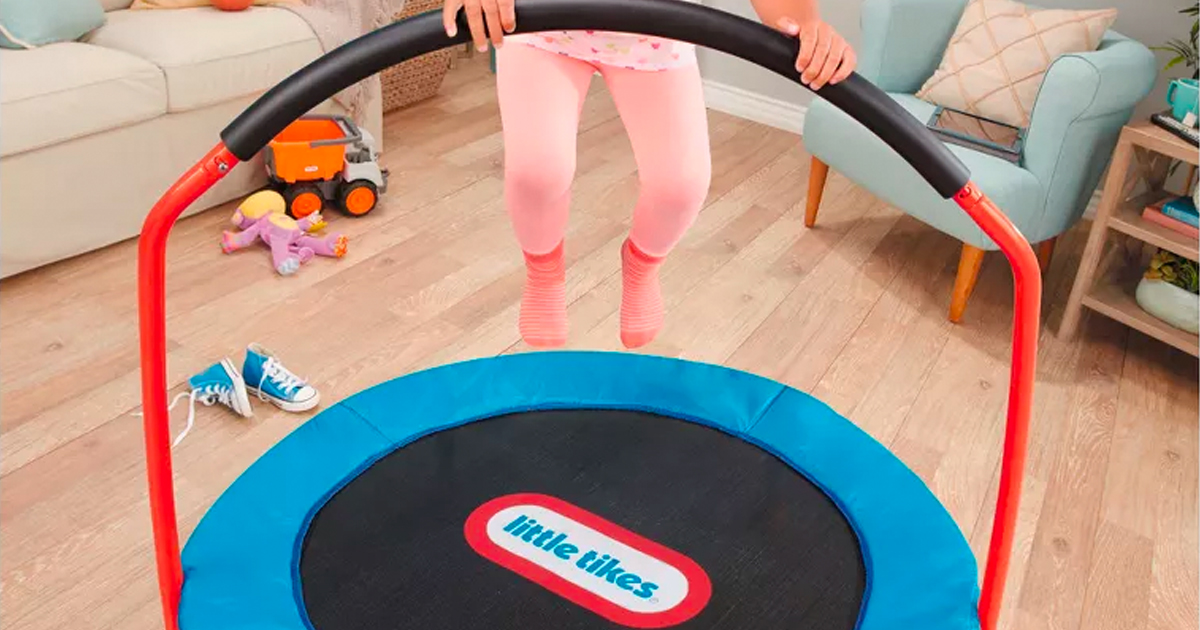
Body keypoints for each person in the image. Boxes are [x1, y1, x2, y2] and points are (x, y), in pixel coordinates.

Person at [442, 0, 856, 348]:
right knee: (538, 171)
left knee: (681, 186)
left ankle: (641, 265)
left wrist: (807, 26)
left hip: (653, 37)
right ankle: (544, 270)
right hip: (542, 26)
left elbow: (790, 17)